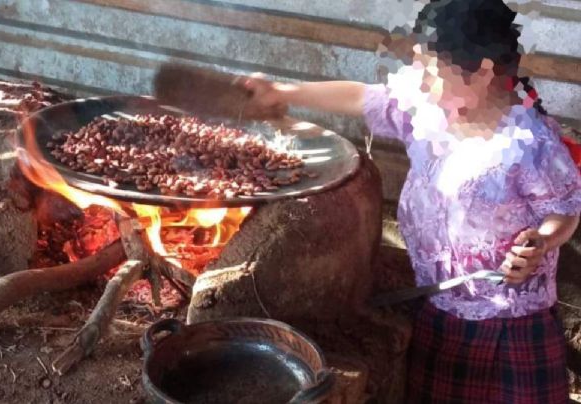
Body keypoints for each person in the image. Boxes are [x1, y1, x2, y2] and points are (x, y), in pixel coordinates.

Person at [245, 0, 581, 402]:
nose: (418, 82)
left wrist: (542, 242)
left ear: (484, 73)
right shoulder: (427, 109)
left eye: (430, 71)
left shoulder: (530, 145)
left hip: (509, 326)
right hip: (440, 305)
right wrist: (282, 91)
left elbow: (563, 210)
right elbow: (361, 97)